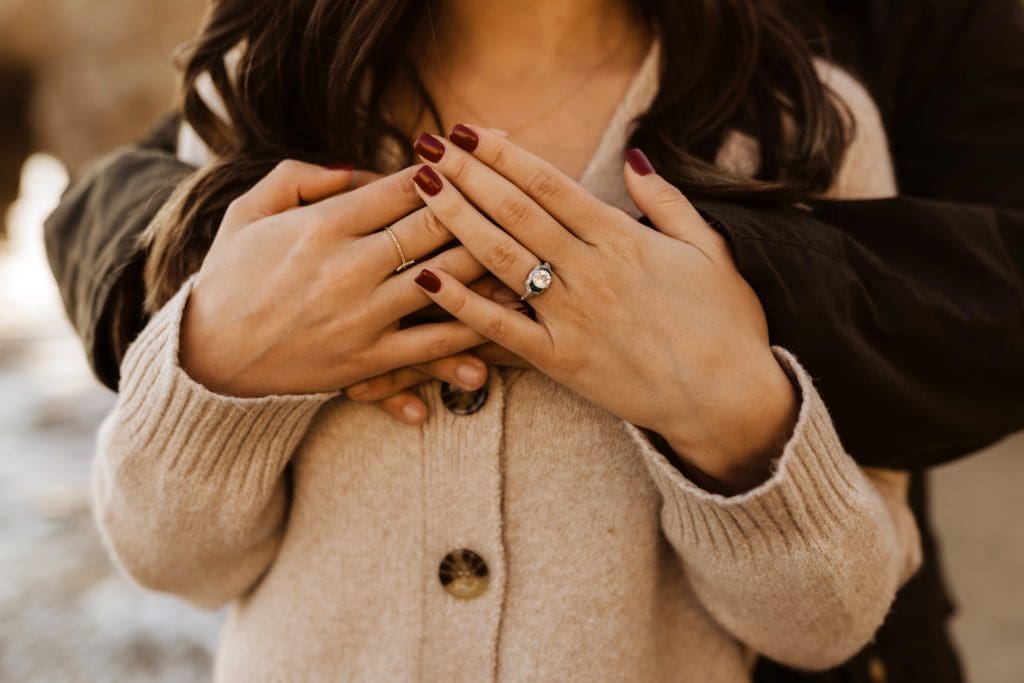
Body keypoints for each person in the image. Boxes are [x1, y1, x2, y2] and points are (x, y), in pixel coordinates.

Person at [43, 1, 1024, 682]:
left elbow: (826, 623)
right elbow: (172, 562)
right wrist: (217, 366)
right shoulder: (260, 95)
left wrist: (732, 416)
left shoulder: (802, 124)